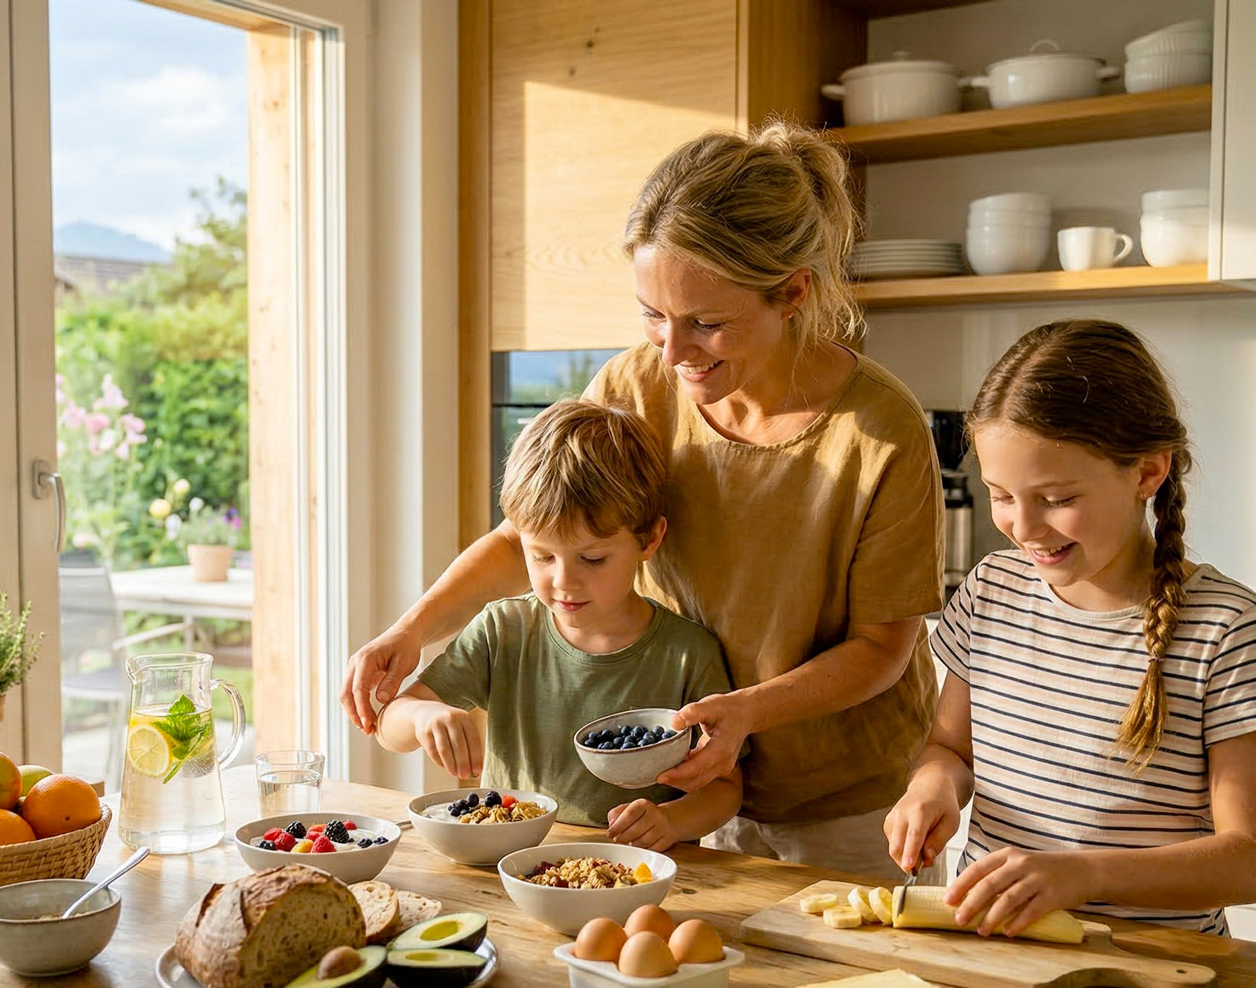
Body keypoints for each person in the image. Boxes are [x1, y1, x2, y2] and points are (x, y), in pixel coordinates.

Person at [346, 122, 944, 876]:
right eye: (652, 315)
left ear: (792, 292)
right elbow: (530, 535)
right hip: (679, 788)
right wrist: (410, 632)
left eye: (707, 323)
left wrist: (747, 711)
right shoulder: (635, 388)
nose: (672, 353)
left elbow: (882, 650)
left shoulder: (881, 430)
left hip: (843, 802)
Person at [884, 319, 1256, 936]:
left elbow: (1255, 860)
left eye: (1055, 499)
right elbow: (952, 748)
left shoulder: (1226, 628)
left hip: (1155, 970)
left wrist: (1084, 873)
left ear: (1146, 472)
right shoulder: (990, 592)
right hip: (996, 949)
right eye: (1002, 495)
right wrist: (933, 785)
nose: (1022, 527)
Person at [374, 400, 740, 850]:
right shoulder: (504, 630)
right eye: (541, 556)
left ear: (650, 539)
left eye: (592, 558)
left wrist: (673, 820)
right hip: (509, 865)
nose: (563, 581)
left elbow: (725, 787)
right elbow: (390, 725)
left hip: (631, 875)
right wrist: (423, 716)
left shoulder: (688, 655)